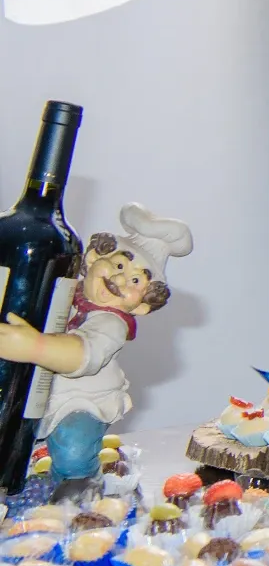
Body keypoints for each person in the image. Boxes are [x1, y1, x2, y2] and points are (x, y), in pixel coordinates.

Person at [0, 207, 189, 486]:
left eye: (136, 280)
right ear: (93, 257)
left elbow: (84, 353)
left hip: (81, 400)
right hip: (34, 392)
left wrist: (35, 347)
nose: (120, 278)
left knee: (73, 448)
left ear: (142, 305)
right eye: (119, 264)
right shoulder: (64, 290)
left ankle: (77, 487)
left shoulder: (112, 324)